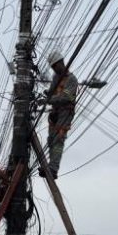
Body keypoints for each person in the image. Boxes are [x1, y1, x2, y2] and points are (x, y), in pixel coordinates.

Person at [43, 49, 78, 179]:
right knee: (51, 140)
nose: (54, 69)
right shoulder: (56, 78)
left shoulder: (72, 79)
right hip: (56, 112)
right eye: (52, 67)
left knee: (58, 140)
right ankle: (50, 166)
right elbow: (52, 92)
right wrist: (48, 94)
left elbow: (66, 97)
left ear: (61, 62)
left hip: (65, 112)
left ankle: (53, 169)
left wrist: (49, 99)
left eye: (55, 66)